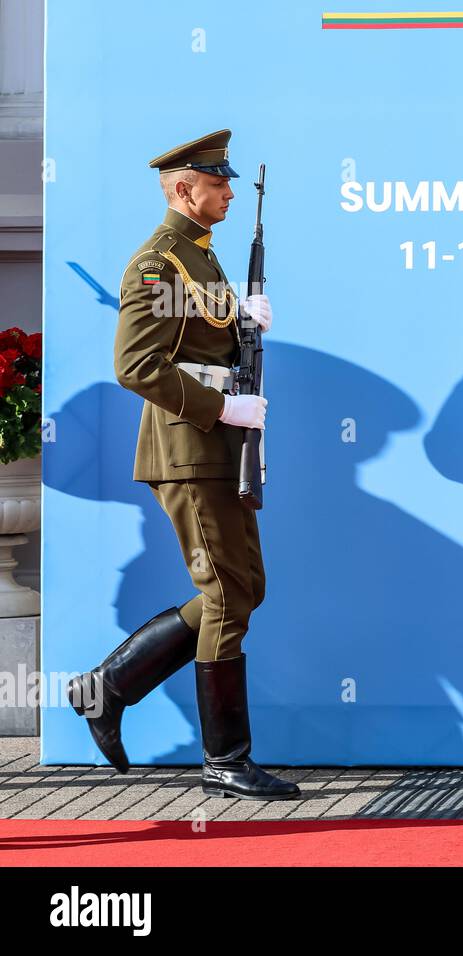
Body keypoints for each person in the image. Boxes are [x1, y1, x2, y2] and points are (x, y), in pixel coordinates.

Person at [67, 129, 299, 800]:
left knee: (244, 586)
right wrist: (222, 410)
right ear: (181, 188)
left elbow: (205, 343)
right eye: (216, 181)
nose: (228, 190)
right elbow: (136, 365)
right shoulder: (158, 262)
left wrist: (239, 321)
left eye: (228, 180)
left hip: (217, 448)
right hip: (190, 448)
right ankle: (225, 758)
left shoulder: (202, 257)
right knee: (227, 593)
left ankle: (105, 686)